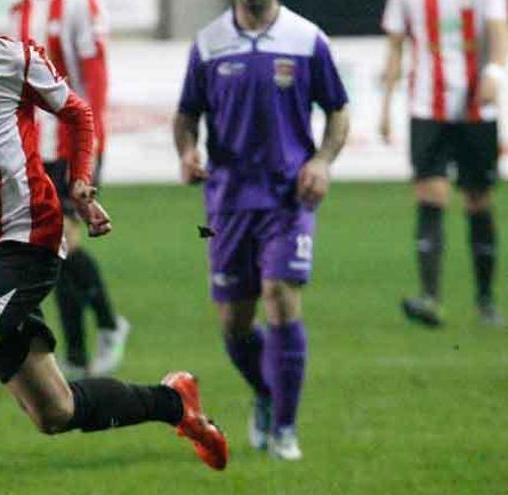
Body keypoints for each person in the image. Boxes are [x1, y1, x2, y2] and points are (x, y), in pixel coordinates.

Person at [0, 1, 228, 493]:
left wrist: (82, 181)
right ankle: (175, 403)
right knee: (55, 411)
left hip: (28, 238)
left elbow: (78, 113)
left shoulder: (12, 59)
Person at [173, 0, 349, 460]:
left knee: (280, 295)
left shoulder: (307, 39)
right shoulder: (209, 43)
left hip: (289, 197)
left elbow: (338, 110)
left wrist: (322, 161)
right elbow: (187, 114)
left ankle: (285, 430)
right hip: (228, 203)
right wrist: (188, 152)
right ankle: (268, 394)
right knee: (235, 323)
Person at [9, 0, 130, 378]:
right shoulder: (20, 10)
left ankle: (107, 325)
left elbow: (95, 79)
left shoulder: (79, 7)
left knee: (62, 241)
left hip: (73, 144)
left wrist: (89, 150)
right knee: (53, 250)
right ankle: (79, 355)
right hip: (35, 147)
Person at [380, 0, 507, 328]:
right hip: (426, 106)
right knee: (430, 195)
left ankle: (485, 301)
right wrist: (385, 104)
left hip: (477, 108)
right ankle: (430, 299)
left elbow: (498, 30)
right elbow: (395, 46)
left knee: (477, 199)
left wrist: (494, 71)